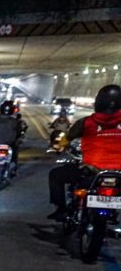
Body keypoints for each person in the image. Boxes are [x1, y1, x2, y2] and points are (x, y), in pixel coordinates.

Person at [47, 84, 121, 220]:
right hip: (119, 175)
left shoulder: (86, 123)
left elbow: (67, 139)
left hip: (93, 172)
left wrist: (59, 145)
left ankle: (61, 210)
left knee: (55, 174)